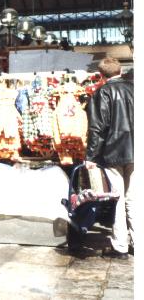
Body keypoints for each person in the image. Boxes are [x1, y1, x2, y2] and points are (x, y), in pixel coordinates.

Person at [85, 57, 134, 260]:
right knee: (134, 198)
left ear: (101, 75)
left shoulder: (102, 93)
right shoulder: (135, 89)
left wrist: (91, 156)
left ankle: (120, 246)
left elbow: (97, 128)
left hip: (113, 153)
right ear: (120, 70)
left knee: (118, 199)